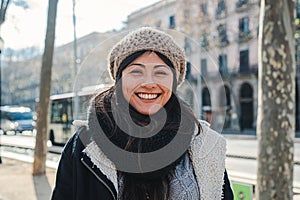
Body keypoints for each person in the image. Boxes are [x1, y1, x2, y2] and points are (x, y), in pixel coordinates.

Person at [51, 27, 233, 200]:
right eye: (136, 71)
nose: (149, 82)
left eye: (161, 72)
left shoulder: (206, 143)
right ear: (119, 80)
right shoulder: (83, 145)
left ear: (174, 81)